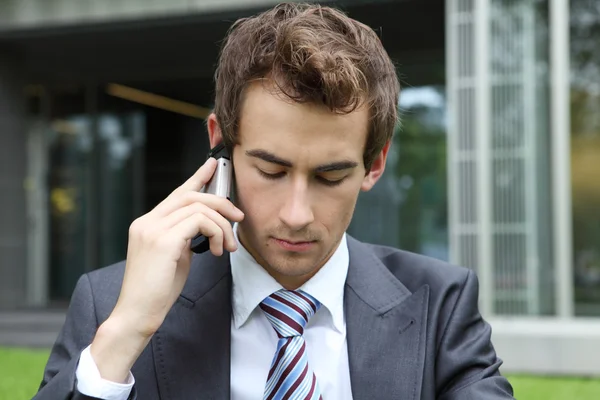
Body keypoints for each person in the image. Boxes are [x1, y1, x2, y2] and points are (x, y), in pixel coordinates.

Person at [34, 3, 515, 399]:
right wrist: (126, 331)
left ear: (374, 164)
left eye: (330, 176)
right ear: (220, 144)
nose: (296, 214)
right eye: (271, 170)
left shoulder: (441, 304)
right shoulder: (110, 303)